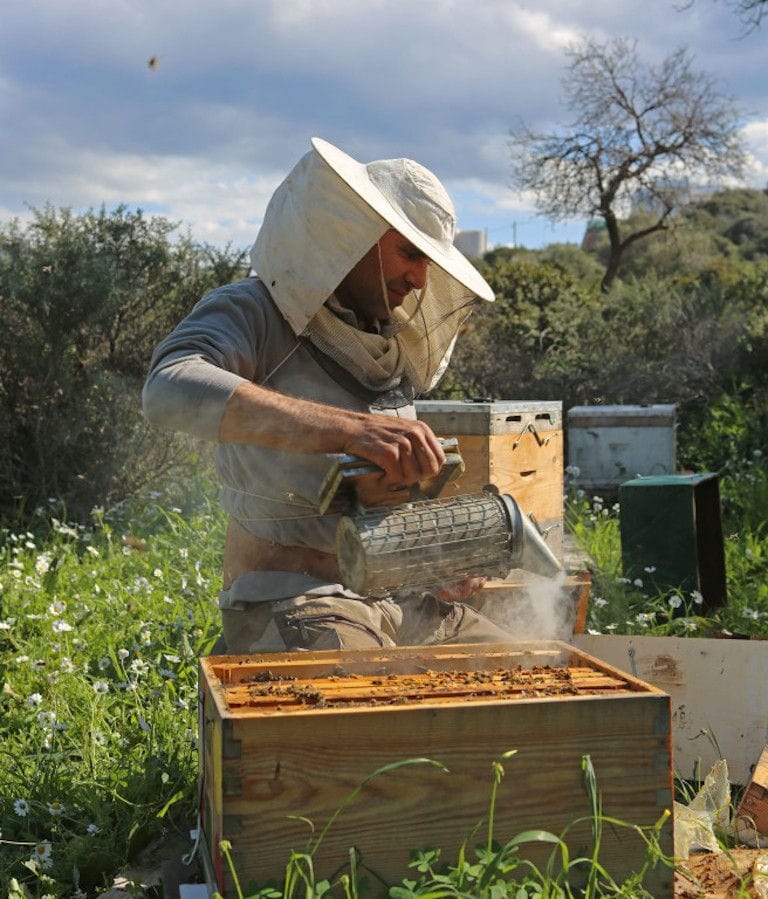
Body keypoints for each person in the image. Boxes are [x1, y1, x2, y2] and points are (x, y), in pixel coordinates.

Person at [142, 136, 517, 653]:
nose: (419, 278)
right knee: (366, 701)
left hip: (397, 600)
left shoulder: (389, 343)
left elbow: (375, 499)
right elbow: (168, 388)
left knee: (526, 672)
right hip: (292, 598)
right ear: (353, 235)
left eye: (429, 261)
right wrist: (353, 430)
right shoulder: (256, 310)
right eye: (409, 252)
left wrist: (434, 564)